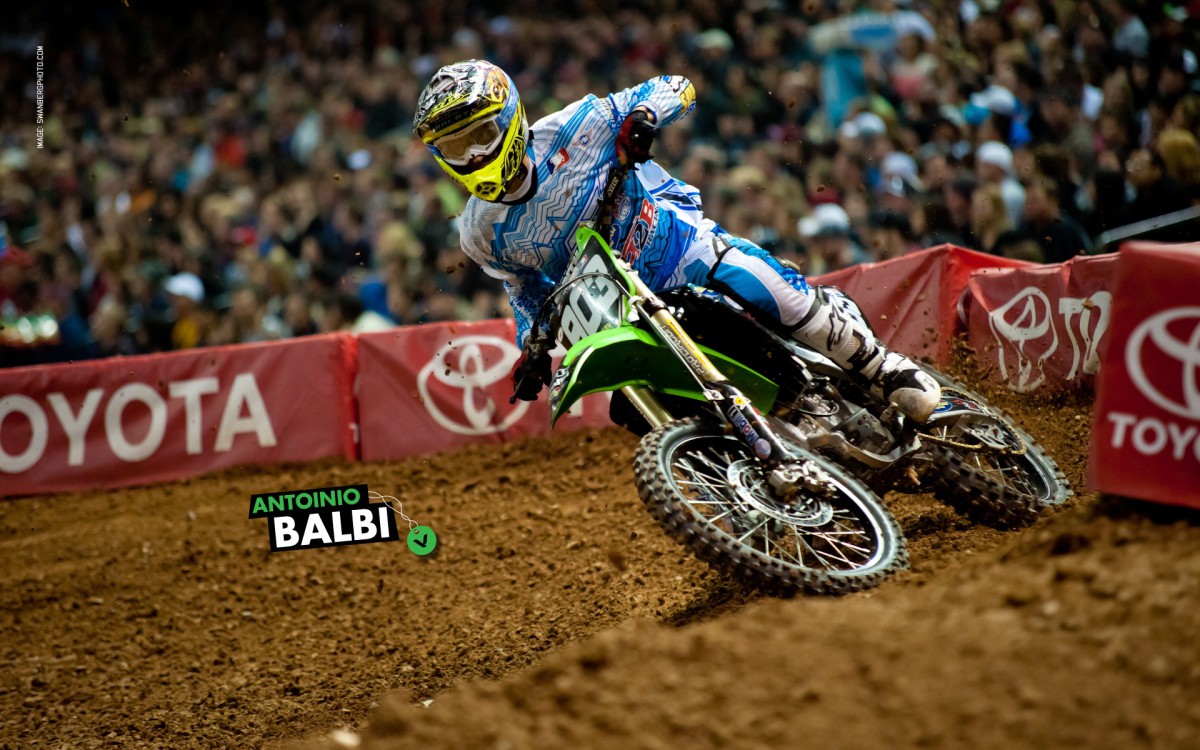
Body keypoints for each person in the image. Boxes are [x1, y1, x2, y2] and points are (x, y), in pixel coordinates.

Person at [412, 60, 941, 421]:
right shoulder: (479, 233)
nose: (473, 155)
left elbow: (676, 85)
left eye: (481, 135)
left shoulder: (579, 124)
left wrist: (644, 116)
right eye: (456, 148)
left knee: (764, 287)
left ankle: (883, 368)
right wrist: (533, 346)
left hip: (678, 245)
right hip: (620, 309)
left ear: (509, 118)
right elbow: (525, 290)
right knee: (630, 405)